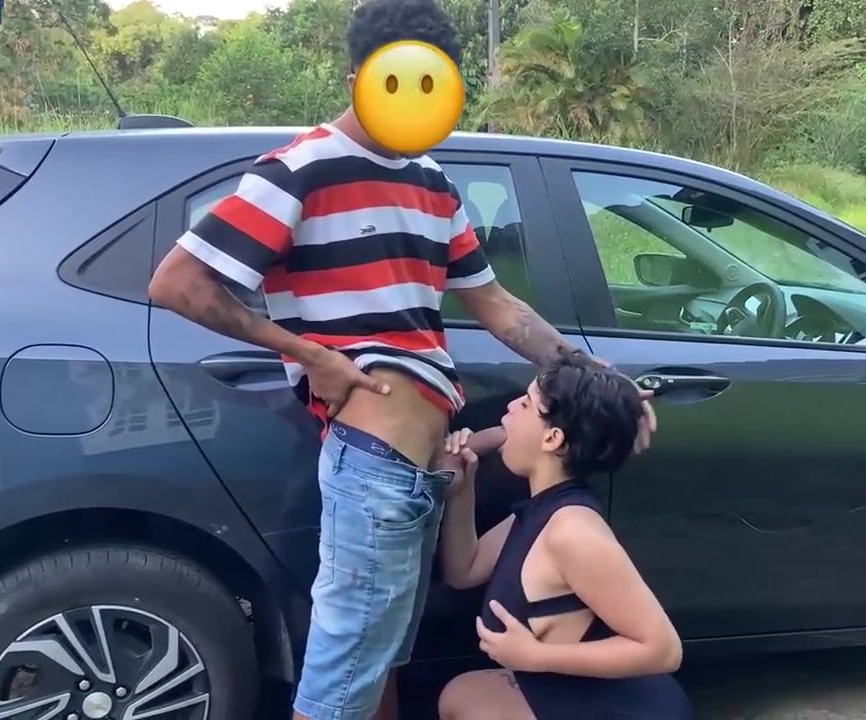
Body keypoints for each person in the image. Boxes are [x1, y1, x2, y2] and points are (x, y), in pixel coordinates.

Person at [147, 2, 656, 718]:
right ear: (358, 78)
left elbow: (498, 307)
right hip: (374, 463)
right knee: (344, 675)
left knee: (380, 659)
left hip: (418, 472)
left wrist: (599, 377)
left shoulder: (431, 182)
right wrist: (309, 354)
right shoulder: (301, 168)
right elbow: (178, 282)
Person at [434, 351, 692, 720]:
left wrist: (536, 656)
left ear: (553, 438)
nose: (509, 407)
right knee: (460, 696)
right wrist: (462, 485)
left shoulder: (572, 531)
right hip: (572, 692)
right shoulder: (539, 510)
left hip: (626, 710)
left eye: (525, 403)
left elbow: (663, 650)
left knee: (468, 706)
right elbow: (464, 570)